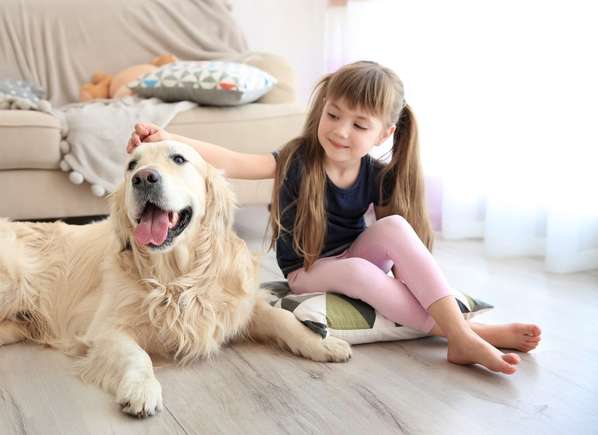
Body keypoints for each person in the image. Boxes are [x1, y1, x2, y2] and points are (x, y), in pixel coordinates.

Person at [126, 60, 541, 375]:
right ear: (322, 109)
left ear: (383, 134)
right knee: (359, 270)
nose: (341, 131)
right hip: (309, 270)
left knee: (393, 227)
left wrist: (403, 278)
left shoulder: (377, 175)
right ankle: (466, 335)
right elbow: (233, 161)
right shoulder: (297, 160)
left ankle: (460, 335)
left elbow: (397, 250)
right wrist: (169, 139)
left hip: (355, 258)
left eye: (359, 124)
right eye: (334, 115)